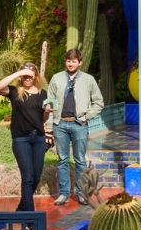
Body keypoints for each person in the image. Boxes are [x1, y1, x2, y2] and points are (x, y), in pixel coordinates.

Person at [44, 47, 104, 206]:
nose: (71, 64)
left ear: (80, 62)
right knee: (63, 159)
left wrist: (86, 116)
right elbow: (49, 101)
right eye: (68, 61)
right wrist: (49, 123)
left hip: (79, 125)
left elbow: (99, 103)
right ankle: (64, 193)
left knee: (80, 161)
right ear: (66, 62)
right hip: (60, 124)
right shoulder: (56, 78)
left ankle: (81, 193)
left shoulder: (88, 79)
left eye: (74, 61)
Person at [0, 63, 50, 211]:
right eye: (24, 76)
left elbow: (43, 119)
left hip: (38, 138)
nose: (27, 78)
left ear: (35, 76)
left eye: (30, 75)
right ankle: (30, 218)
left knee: (36, 177)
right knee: (27, 177)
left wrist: (47, 112)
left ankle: (21, 210)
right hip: (21, 139)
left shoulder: (42, 93)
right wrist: (17, 74)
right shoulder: (14, 91)